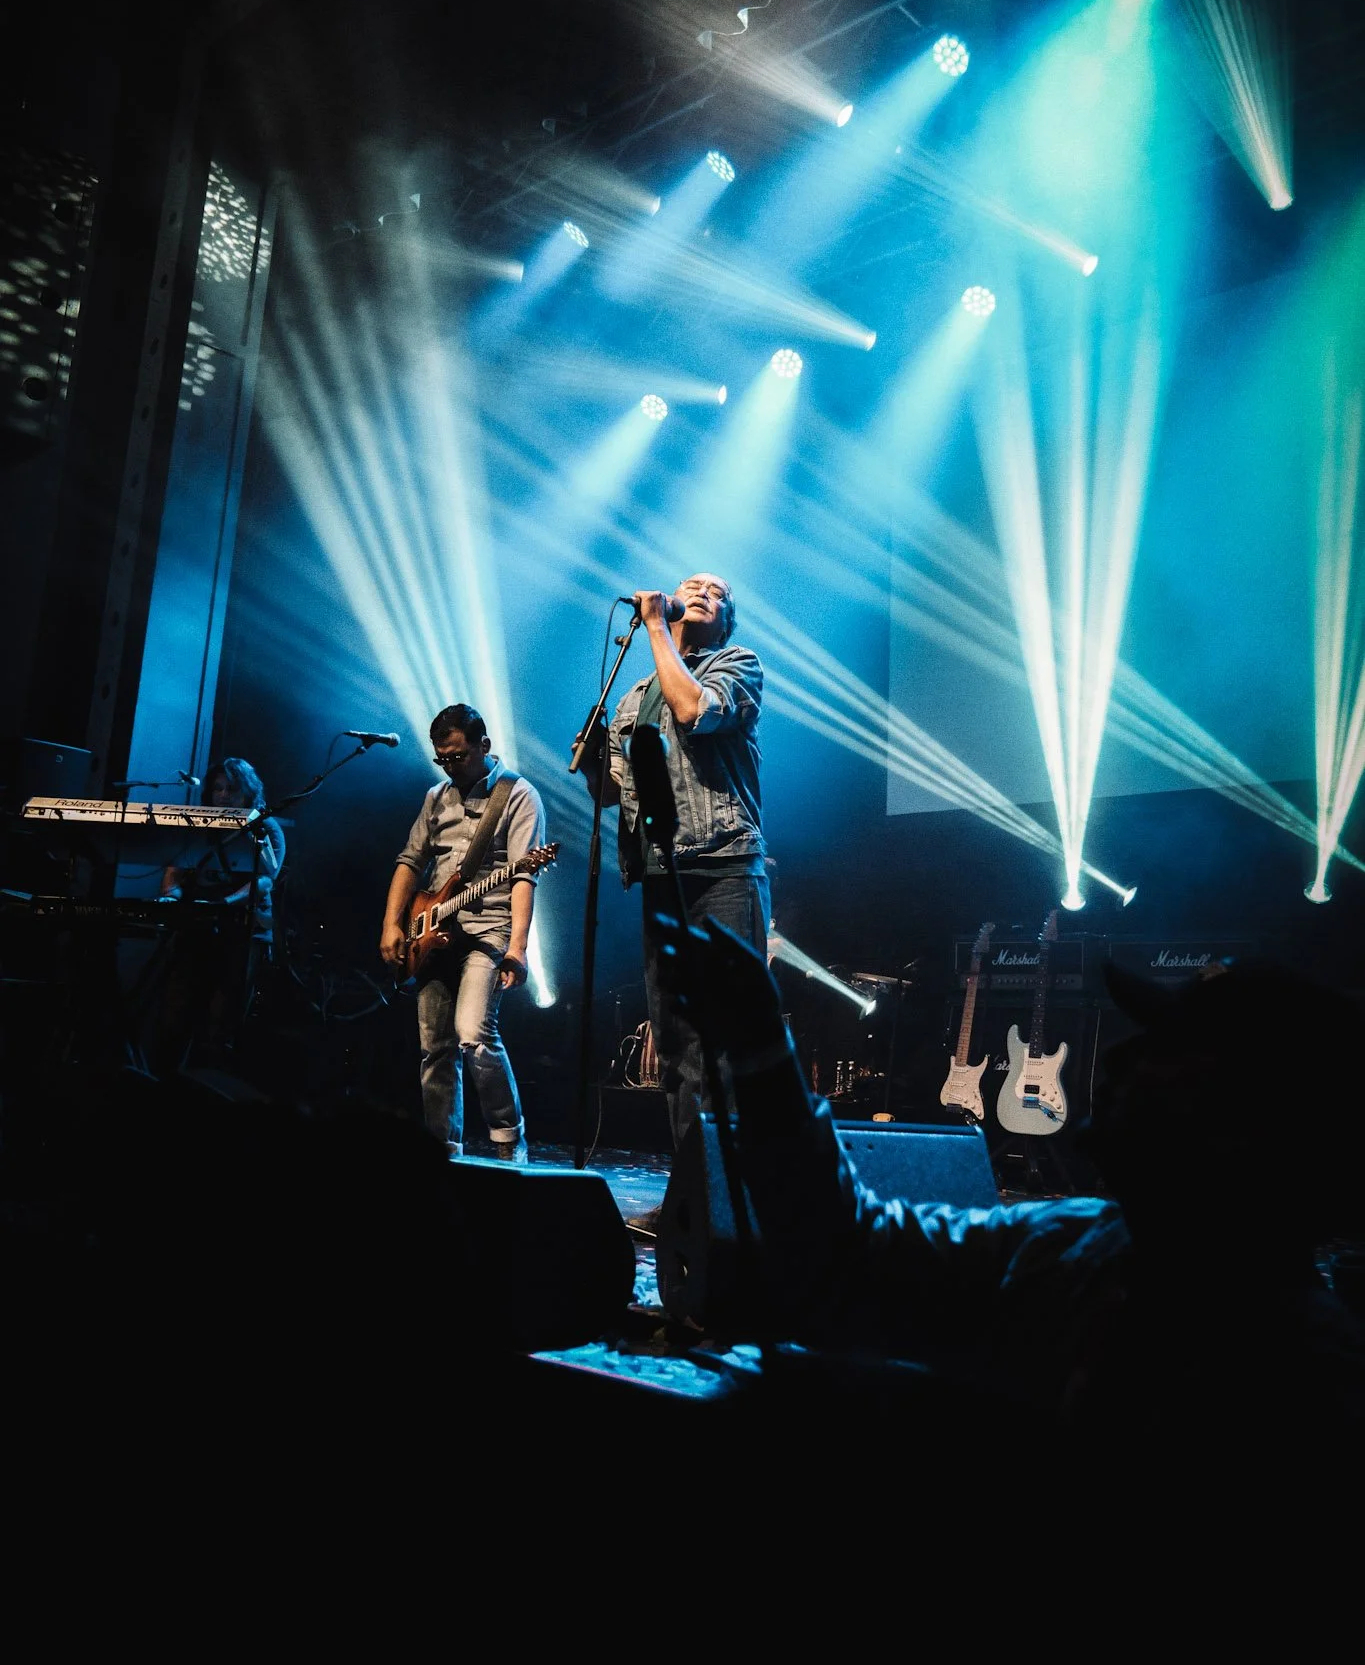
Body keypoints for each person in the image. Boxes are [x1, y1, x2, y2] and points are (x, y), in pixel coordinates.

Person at [650, 916, 1365, 1500]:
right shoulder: (1066, 1240)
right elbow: (851, 1248)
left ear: (1249, 1117)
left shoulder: (1302, 1381)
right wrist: (761, 1056)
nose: (1117, 1060)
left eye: (1165, 1046)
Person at [578, 573, 769, 1175]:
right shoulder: (636, 695)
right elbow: (612, 793)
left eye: (720, 591)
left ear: (726, 618)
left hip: (722, 867)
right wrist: (591, 760)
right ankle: (692, 1183)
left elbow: (694, 712)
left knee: (728, 1039)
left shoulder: (736, 664)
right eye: (695, 584)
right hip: (661, 878)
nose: (705, 590)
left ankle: (735, 1192)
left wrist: (657, 625)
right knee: (677, 1041)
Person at [381, 703, 545, 1163]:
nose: (451, 767)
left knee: (473, 1033)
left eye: (458, 756)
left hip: (489, 930)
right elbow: (410, 861)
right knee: (435, 1048)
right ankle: (441, 1151)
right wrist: (393, 925)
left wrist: (518, 948)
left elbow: (522, 877)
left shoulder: (518, 796)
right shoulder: (436, 797)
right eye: (443, 759)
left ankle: (508, 1140)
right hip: (432, 933)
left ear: (484, 746)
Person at [149, 756, 285, 1071]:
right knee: (174, 1014)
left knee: (219, 1020)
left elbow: (265, 879)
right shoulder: (199, 825)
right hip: (196, 930)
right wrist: (171, 897)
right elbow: (176, 868)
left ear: (248, 793)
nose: (222, 796)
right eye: (218, 789)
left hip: (242, 931)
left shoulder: (266, 827)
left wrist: (222, 905)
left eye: (231, 790)